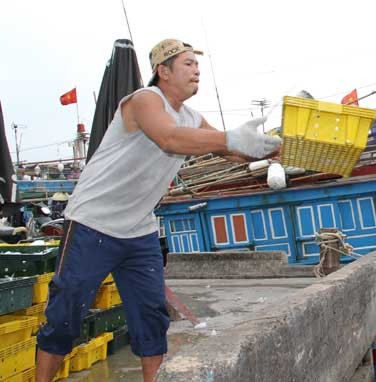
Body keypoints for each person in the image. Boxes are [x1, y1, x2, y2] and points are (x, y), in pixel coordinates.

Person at [35, 38, 282, 382]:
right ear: (163, 71)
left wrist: (271, 148)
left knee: (151, 318)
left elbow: (233, 152)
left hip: (139, 231)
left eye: (198, 64)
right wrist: (230, 138)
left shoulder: (192, 117)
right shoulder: (144, 100)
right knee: (65, 313)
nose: (197, 70)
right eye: (188, 63)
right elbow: (169, 138)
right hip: (93, 223)